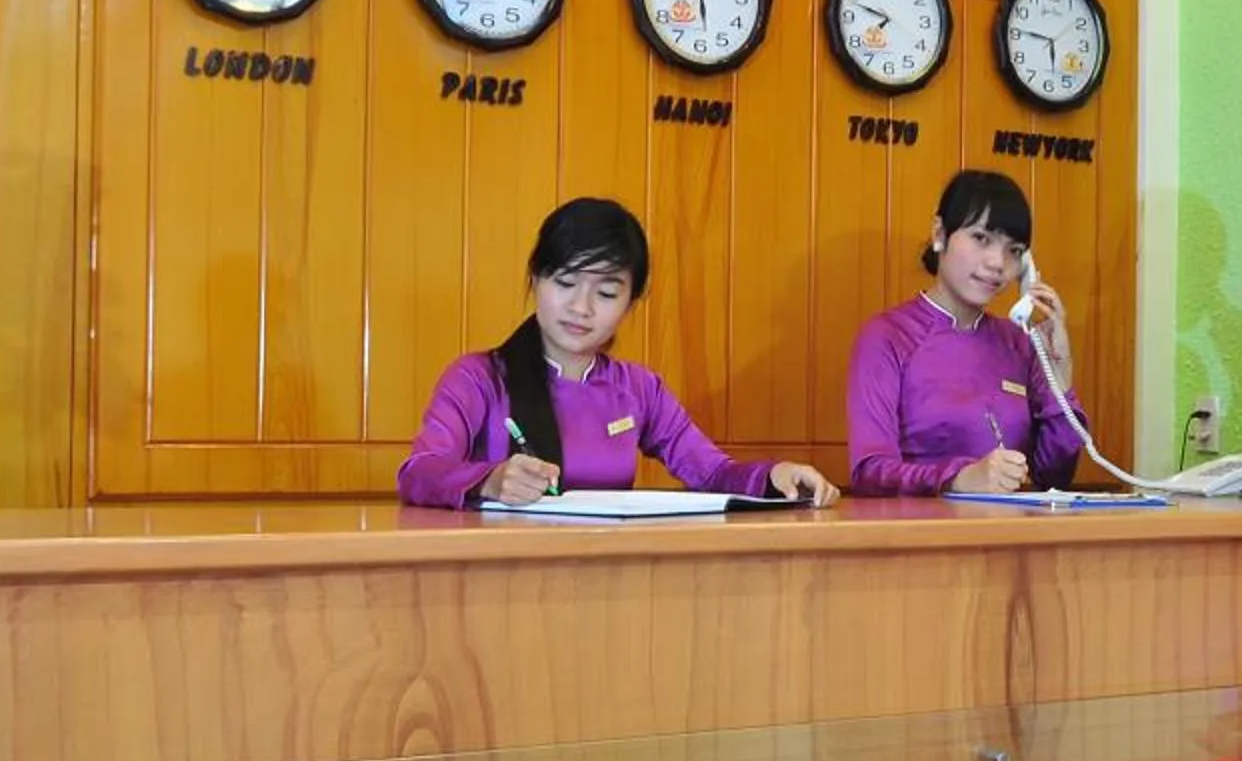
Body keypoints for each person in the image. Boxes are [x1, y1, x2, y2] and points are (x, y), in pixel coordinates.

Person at [397, 198, 838, 509]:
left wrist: (772, 477)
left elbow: (709, 473)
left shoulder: (639, 389)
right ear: (535, 280)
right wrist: (488, 482)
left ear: (631, 301)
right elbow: (419, 472)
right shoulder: (478, 379)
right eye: (566, 284)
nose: (581, 307)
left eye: (606, 292)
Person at [845, 169, 1081, 495]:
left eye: (1014, 250)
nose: (998, 263)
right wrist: (957, 478)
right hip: (923, 537)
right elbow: (870, 471)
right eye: (981, 238)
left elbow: (1053, 478)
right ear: (940, 233)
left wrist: (1061, 379)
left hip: (1013, 536)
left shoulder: (1019, 343)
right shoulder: (887, 336)